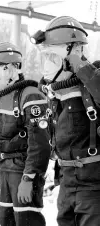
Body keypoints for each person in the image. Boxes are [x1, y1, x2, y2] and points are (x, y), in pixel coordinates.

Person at [32, 15, 100, 226]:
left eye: (53, 57)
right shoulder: (56, 93)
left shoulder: (92, 80)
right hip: (67, 182)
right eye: (45, 57)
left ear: (74, 52)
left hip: (93, 186)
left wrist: (80, 64)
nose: (47, 65)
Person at [0, 42, 50, 226]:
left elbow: (39, 144)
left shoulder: (30, 95)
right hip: (6, 168)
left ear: (10, 70)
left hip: (23, 170)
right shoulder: (2, 96)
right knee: (6, 220)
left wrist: (29, 178)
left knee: (26, 221)